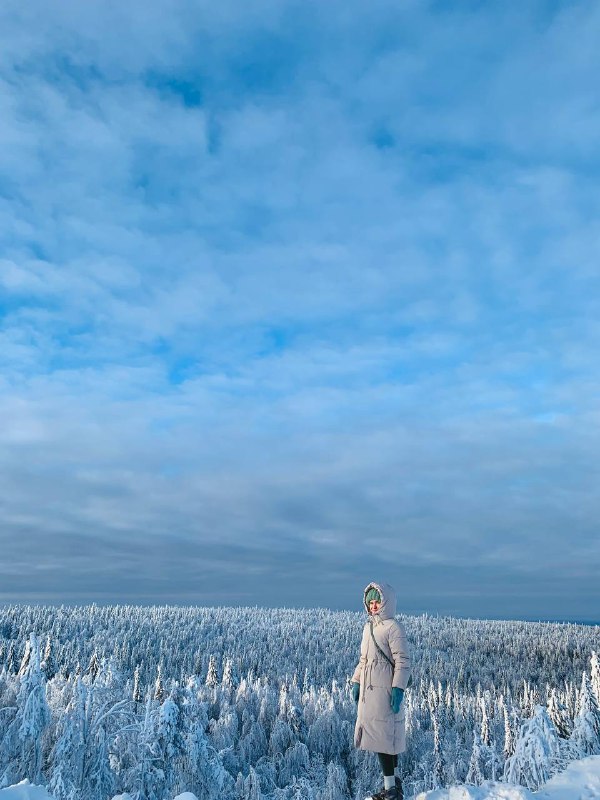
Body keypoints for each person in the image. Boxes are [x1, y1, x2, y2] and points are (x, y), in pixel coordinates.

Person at [351, 581, 412, 800]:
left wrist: (397, 689)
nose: (374, 606)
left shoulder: (394, 627)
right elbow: (363, 660)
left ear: (387, 603)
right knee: (384, 739)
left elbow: (402, 661)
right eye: (371, 602)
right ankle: (393, 786)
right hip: (370, 695)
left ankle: (391, 791)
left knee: (384, 740)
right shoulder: (367, 628)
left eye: (378, 602)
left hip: (384, 692)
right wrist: (356, 681)